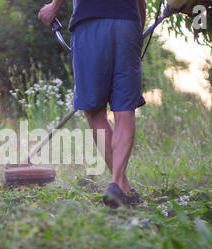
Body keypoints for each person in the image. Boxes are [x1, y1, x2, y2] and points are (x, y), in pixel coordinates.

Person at [38, 0, 147, 208]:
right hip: (128, 22)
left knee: (94, 111)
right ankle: (120, 185)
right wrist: (137, 31)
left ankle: (119, 185)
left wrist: (54, 6)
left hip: (90, 23)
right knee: (125, 110)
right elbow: (141, 3)